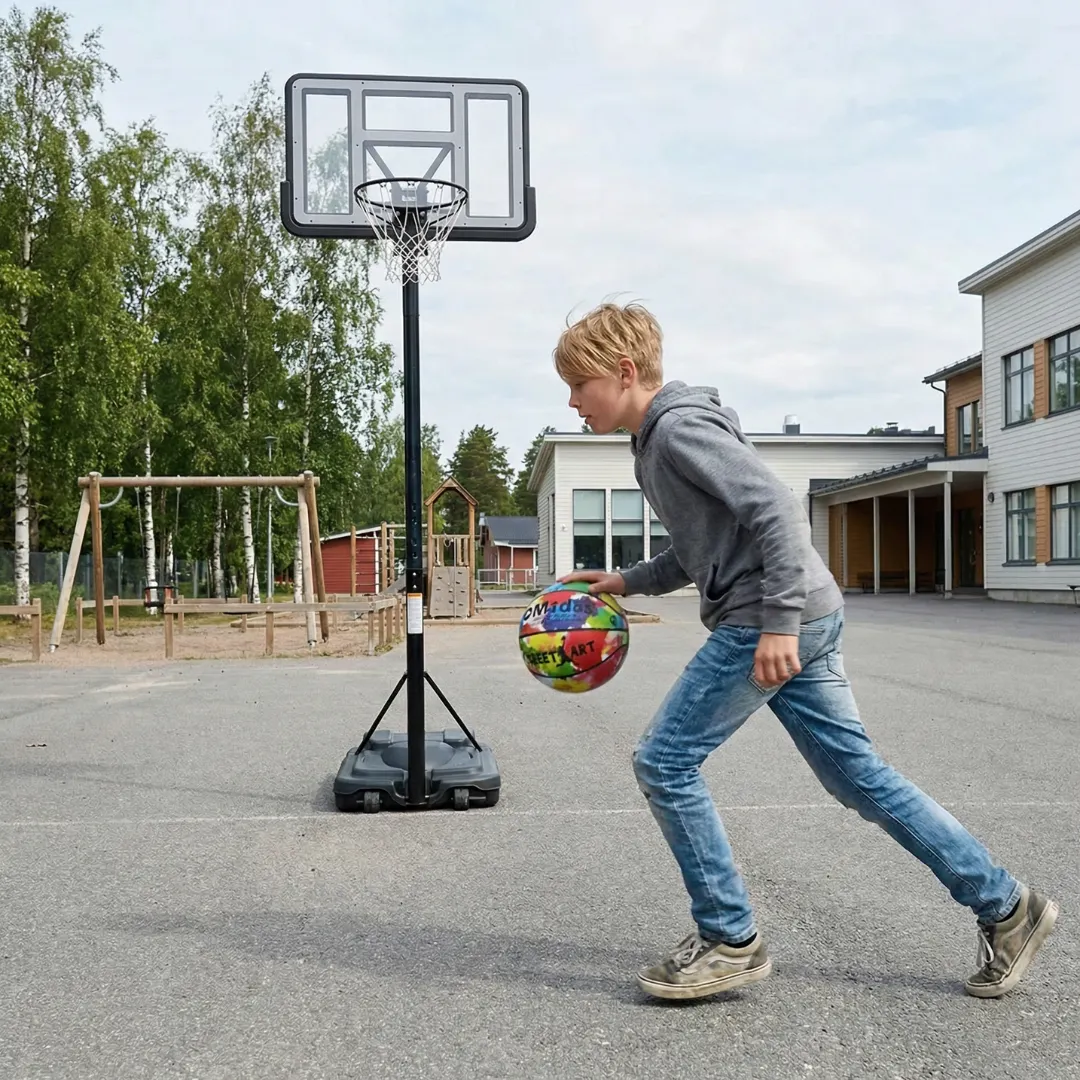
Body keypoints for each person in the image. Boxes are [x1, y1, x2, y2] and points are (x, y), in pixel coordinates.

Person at [552, 300, 1058, 1001]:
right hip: (800, 611)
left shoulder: (677, 430)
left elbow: (776, 511)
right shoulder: (657, 440)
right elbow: (706, 547)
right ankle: (1008, 908)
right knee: (860, 779)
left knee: (663, 761)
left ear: (624, 371)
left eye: (579, 384)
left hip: (771, 617)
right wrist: (627, 580)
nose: (572, 400)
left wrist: (780, 624)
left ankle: (731, 939)